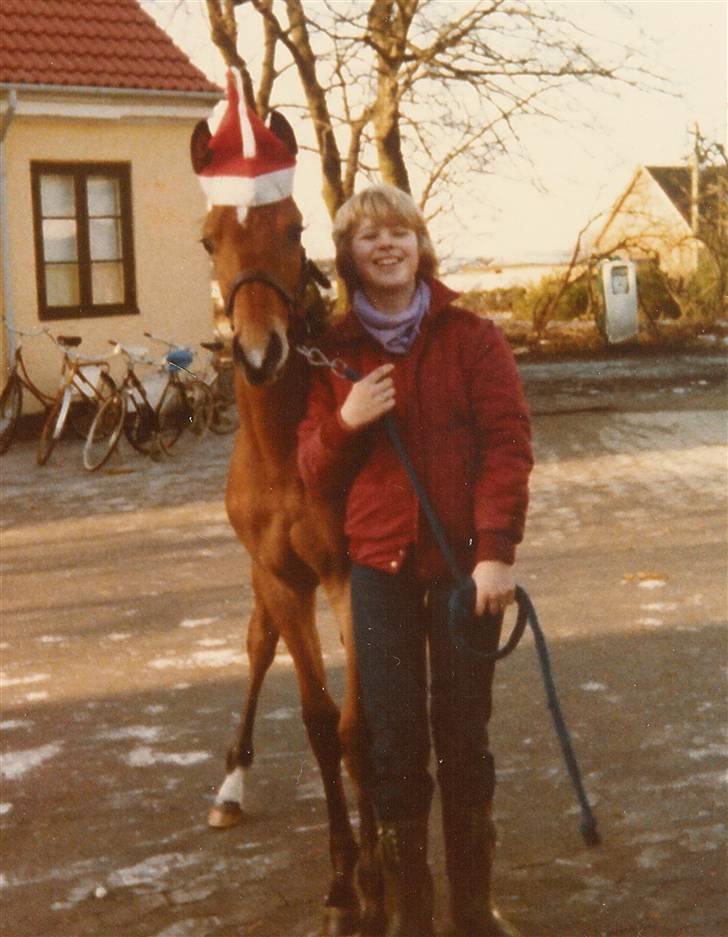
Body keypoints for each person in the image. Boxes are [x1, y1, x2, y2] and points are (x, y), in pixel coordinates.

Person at [297, 184, 533, 937]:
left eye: (399, 231)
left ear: (420, 245)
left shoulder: (472, 338)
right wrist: (344, 421)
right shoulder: (332, 353)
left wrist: (496, 554)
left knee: (465, 736)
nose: (387, 245)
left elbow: (507, 446)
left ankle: (473, 907)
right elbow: (310, 468)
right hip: (380, 574)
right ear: (350, 257)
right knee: (393, 744)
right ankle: (411, 915)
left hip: (469, 573)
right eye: (369, 237)